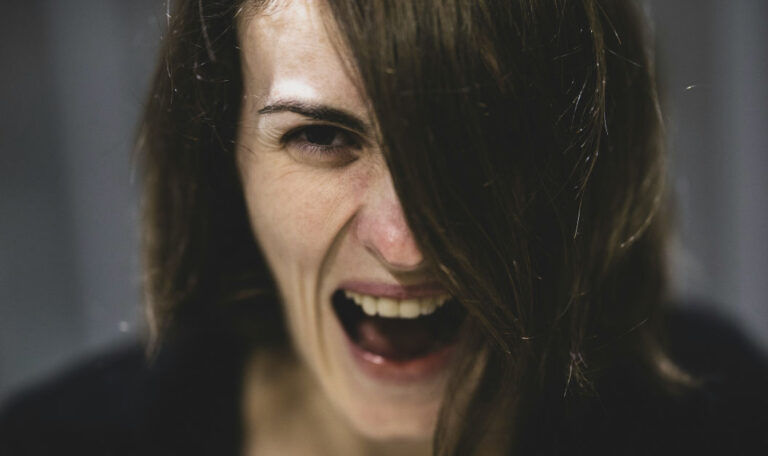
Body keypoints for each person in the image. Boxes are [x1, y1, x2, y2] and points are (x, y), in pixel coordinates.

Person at [1, 0, 766, 454]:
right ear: (223, 154)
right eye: (321, 137)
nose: (408, 244)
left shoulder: (714, 414)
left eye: (474, 136)